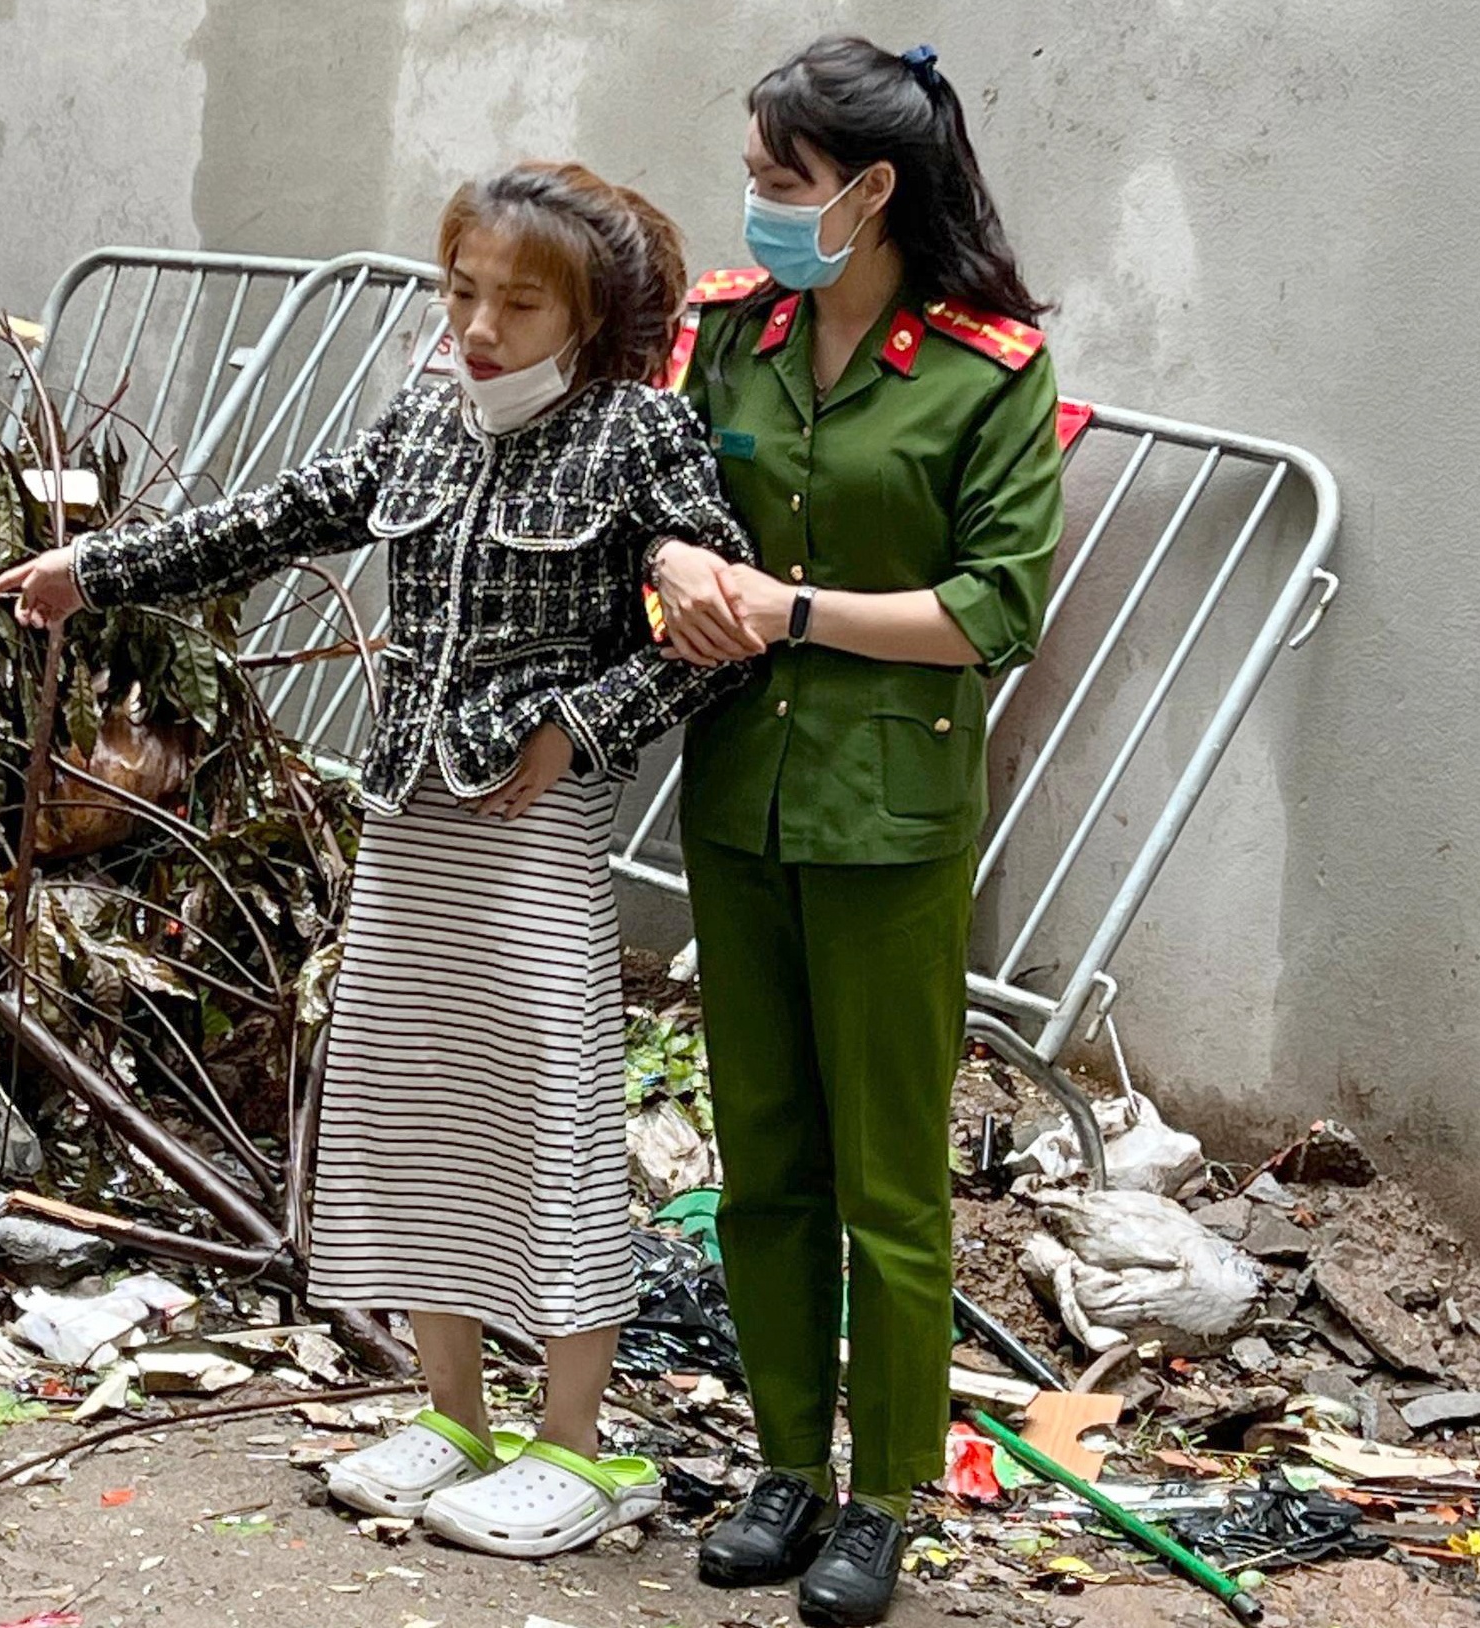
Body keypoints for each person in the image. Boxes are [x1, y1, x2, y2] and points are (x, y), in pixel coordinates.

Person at [0, 161, 756, 1560]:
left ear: (588, 315)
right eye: (463, 290)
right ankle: (455, 1413)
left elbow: (711, 633)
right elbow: (285, 515)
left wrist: (578, 729)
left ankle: (579, 1449)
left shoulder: (642, 435)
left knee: (551, 1114)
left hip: (533, 831)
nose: (479, 324)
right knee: (409, 1105)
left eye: (519, 303)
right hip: (410, 815)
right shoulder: (423, 410)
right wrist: (91, 570)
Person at [651, 37, 1065, 1627]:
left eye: (780, 184)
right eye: (755, 179)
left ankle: (884, 1494)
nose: (754, 208)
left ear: (873, 191)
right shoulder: (726, 337)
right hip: (738, 795)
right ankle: (782, 1465)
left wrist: (794, 608)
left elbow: (996, 607)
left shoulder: (987, 368)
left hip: (889, 817)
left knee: (889, 1180)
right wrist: (676, 572)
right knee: (763, 1161)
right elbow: (667, 515)